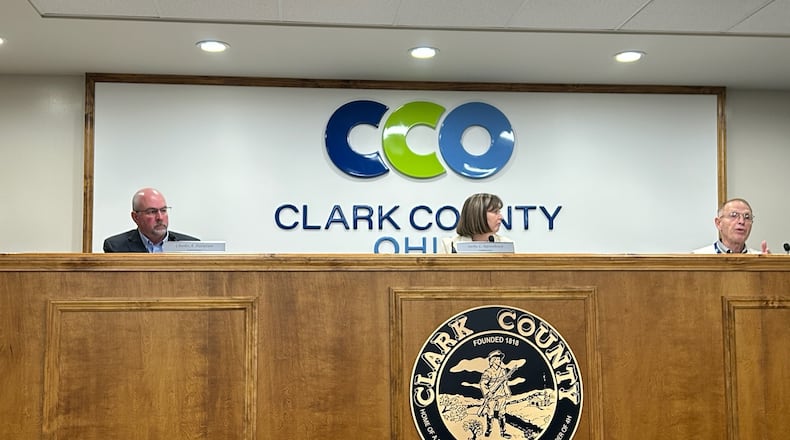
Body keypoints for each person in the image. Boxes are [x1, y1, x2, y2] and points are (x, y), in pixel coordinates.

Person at [103, 187, 199, 253]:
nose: (160, 217)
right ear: (135, 217)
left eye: (163, 210)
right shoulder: (116, 247)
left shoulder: (192, 246)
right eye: (152, 212)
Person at [439, 193, 513, 253]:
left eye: (499, 212)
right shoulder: (449, 245)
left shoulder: (506, 244)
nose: (501, 217)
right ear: (478, 214)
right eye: (495, 212)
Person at [692, 197, 768, 254]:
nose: (741, 221)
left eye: (747, 217)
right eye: (734, 215)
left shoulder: (760, 259)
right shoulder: (698, 257)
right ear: (718, 223)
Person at [478, 350, 513, 439]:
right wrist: (487, 392)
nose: (499, 361)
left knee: (502, 414)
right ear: (492, 360)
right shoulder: (488, 372)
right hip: (491, 397)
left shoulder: (503, 371)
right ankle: (488, 430)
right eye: (497, 359)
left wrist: (507, 392)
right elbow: (482, 384)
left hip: (501, 396)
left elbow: (505, 383)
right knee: (490, 413)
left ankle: (503, 432)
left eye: (499, 359)